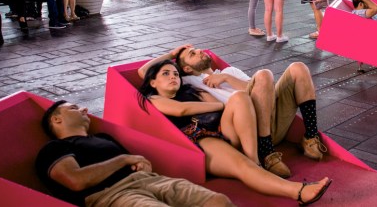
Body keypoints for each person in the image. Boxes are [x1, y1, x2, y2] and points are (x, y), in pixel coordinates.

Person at [137, 61, 332, 203]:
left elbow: (228, 102)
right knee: (242, 166)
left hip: (221, 130)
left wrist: (221, 97)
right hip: (198, 138)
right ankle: (298, 191)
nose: (173, 76)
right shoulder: (152, 98)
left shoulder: (191, 90)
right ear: (152, 82)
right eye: (166, 74)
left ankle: (256, 158)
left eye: (175, 74)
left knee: (239, 97)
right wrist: (173, 54)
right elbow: (182, 110)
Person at [37, 100, 234, 207]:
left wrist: (139, 163)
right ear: (56, 120)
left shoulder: (104, 137)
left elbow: (137, 163)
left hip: (150, 180)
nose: (84, 108)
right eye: (73, 108)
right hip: (111, 195)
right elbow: (76, 180)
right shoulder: (54, 148)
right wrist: (124, 159)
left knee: (219, 201)